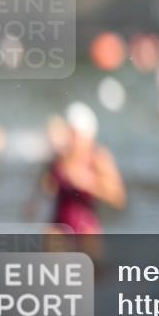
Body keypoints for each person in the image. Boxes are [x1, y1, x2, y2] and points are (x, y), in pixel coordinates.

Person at [31, 102, 126, 260]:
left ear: (86, 136)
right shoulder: (57, 159)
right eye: (68, 133)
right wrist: (39, 197)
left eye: (74, 134)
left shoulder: (98, 157)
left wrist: (88, 183)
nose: (70, 140)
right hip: (60, 226)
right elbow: (39, 194)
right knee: (51, 238)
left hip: (86, 228)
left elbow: (118, 198)